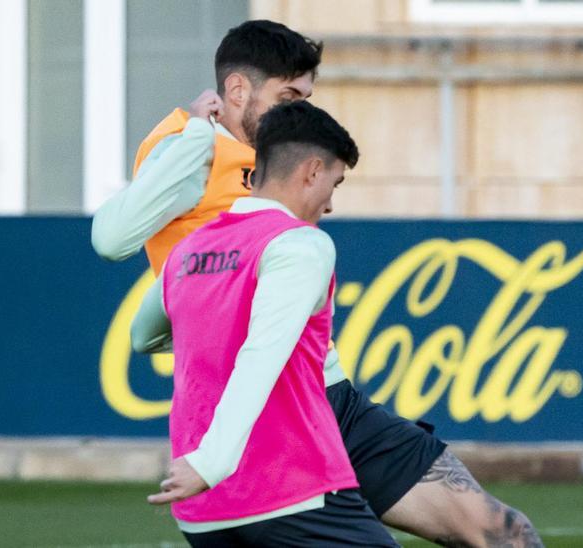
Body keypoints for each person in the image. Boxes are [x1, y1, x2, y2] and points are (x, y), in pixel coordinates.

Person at [96, 19, 541, 547]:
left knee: (505, 533)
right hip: (256, 413)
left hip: (325, 394)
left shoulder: (284, 160)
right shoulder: (184, 144)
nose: (297, 110)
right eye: (287, 96)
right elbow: (113, 237)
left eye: (304, 97)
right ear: (237, 90)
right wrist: (198, 139)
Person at [132, 100, 397, 546]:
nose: (330, 204)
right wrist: (212, 462)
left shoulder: (191, 247)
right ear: (312, 171)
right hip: (290, 488)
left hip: (203, 512)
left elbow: (143, 336)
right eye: (335, 182)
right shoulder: (299, 244)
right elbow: (262, 354)